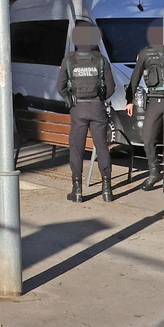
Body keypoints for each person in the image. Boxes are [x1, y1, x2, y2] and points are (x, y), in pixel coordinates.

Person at [126, 21, 164, 197]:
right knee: (147, 137)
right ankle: (154, 172)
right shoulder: (146, 53)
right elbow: (135, 77)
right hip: (154, 100)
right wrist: (129, 100)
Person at [56, 24, 115, 203]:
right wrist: (100, 98)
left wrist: (69, 99)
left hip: (78, 109)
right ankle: (107, 190)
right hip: (97, 108)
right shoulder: (101, 60)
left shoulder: (68, 60)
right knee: (102, 148)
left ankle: (78, 190)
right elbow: (111, 87)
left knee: (76, 148)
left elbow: (60, 87)